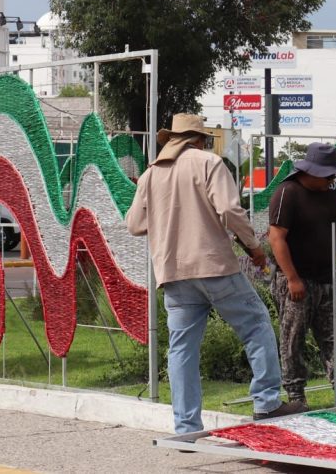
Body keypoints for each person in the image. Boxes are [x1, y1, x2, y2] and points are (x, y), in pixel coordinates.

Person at [126, 113, 304, 434]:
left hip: (173, 272)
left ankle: (186, 427)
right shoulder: (208, 163)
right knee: (256, 325)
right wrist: (253, 247)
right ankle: (266, 402)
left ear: (171, 139)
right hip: (213, 265)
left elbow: (135, 225)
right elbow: (230, 211)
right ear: (199, 139)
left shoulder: (151, 174)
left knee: (182, 349)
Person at [268, 142, 336, 409]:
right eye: (328, 175)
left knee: (335, 336)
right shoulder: (288, 192)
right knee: (293, 339)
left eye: (334, 175)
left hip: (327, 278)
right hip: (296, 281)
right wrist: (292, 278)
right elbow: (276, 238)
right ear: (311, 171)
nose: (332, 180)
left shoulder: (331, 192)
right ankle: (296, 396)